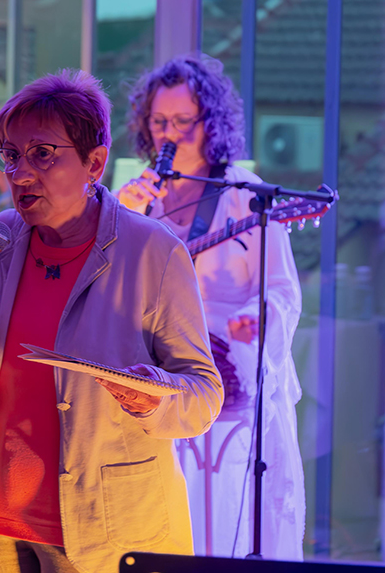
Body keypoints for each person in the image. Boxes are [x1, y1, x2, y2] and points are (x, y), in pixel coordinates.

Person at [0, 69, 223, 573]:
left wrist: (154, 397)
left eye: (42, 153)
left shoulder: (154, 252)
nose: (20, 173)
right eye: (10, 154)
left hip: (101, 530)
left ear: (95, 163)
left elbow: (203, 396)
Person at [117, 55, 305, 559]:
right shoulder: (135, 195)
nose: (169, 134)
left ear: (210, 124)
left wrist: (257, 318)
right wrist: (121, 215)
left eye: (183, 121)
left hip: (228, 397)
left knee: (219, 531)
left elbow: (282, 289)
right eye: (159, 121)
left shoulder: (244, 194)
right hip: (152, 391)